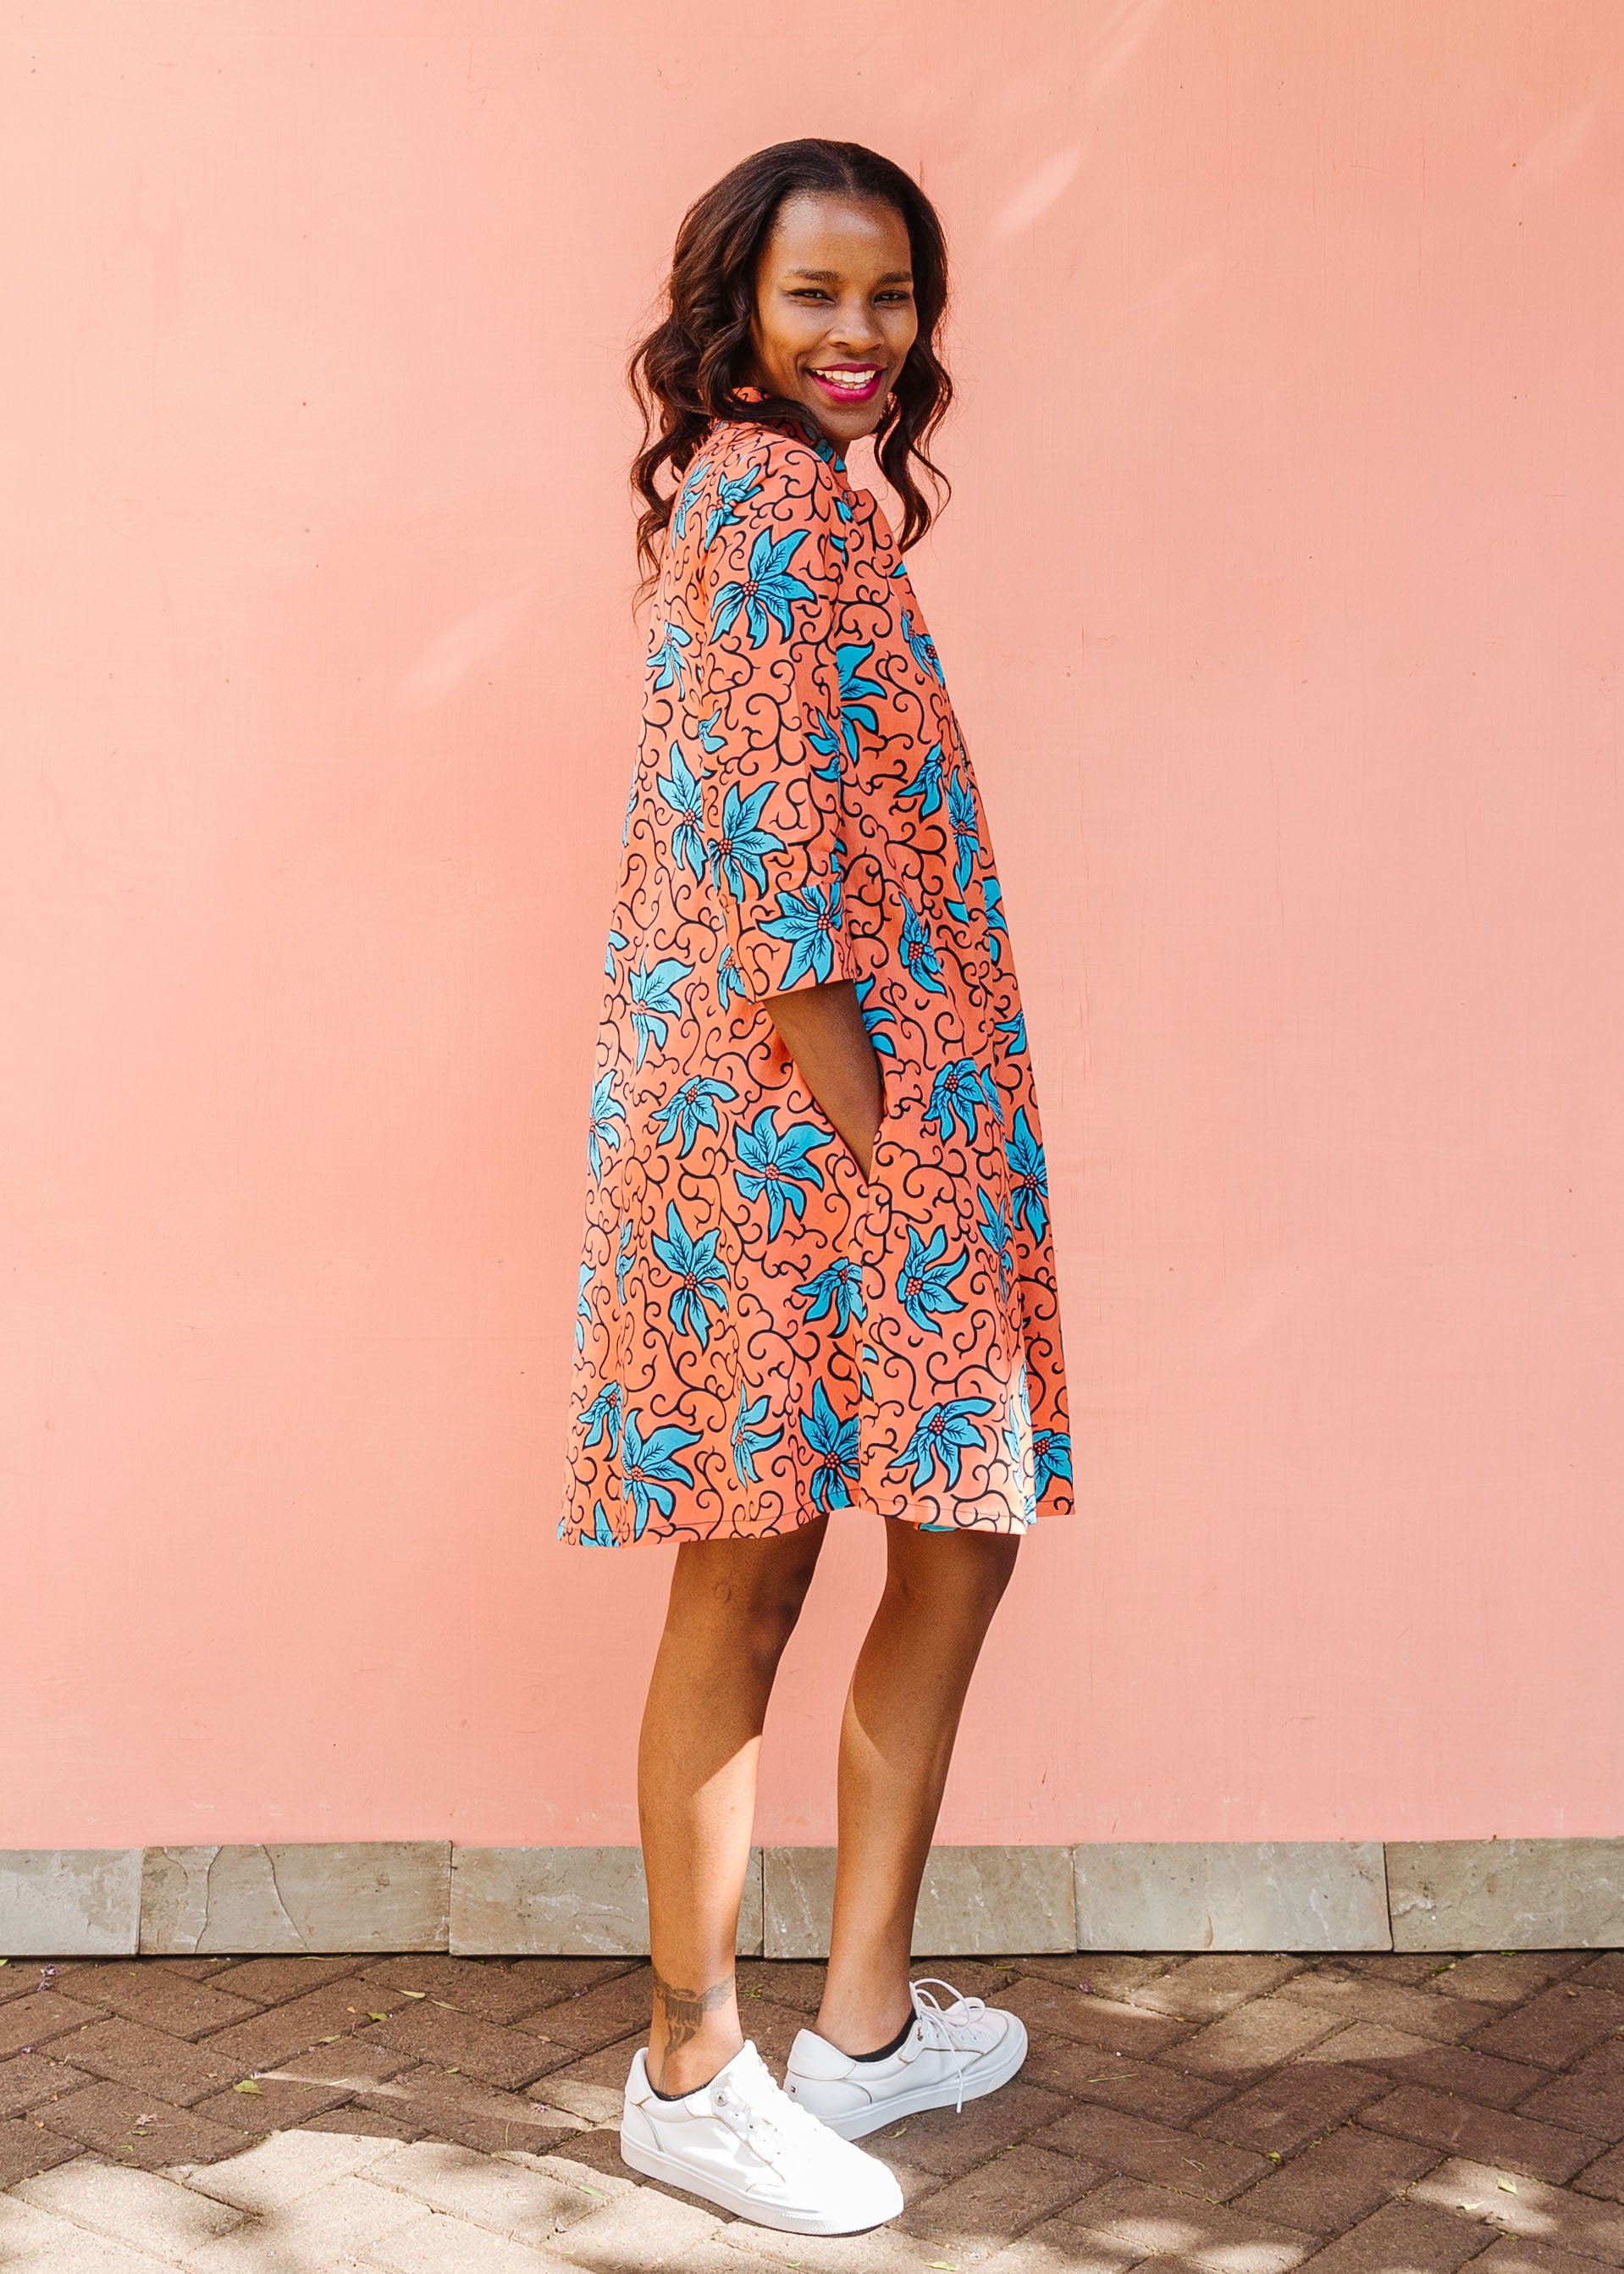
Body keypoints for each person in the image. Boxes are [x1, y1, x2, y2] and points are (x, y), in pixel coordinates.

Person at [560, 136, 1073, 2237]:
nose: (857, 338)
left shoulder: (809, 507)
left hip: (866, 1106)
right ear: (735, 316)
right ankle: (692, 2062)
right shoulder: (771, 513)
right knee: (749, 1571)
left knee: (955, 1521)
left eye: (889, 299)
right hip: (794, 1129)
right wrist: (894, 1159)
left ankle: (859, 2018)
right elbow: (776, 901)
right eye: (813, 299)